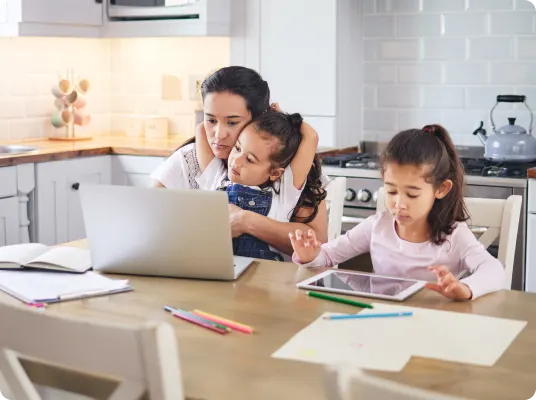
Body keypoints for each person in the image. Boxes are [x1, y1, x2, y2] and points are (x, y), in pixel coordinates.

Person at [289, 124, 505, 301]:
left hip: (433, 325)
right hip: (379, 322)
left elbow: (494, 271)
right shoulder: (377, 226)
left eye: (412, 194)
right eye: (391, 191)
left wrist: (464, 288)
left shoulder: (455, 235)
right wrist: (310, 256)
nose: (399, 204)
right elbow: (328, 256)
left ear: (441, 189)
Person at [150, 66, 329, 257]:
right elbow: (149, 219)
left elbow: (318, 244)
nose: (218, 136)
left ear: (260, 117)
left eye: (232, 122)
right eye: (211, 120)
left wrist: (246, 221)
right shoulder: (203, 166)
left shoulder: (288, 169)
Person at [195, 109, 324, 261]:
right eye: (237, 148)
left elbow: (311, 136)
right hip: (217, 273)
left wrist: (287, 120)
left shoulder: (284, 192)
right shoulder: (217, 178)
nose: (236, 161)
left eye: (249, 159)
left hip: (264, 279)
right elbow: (202, 128)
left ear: (275, 173)